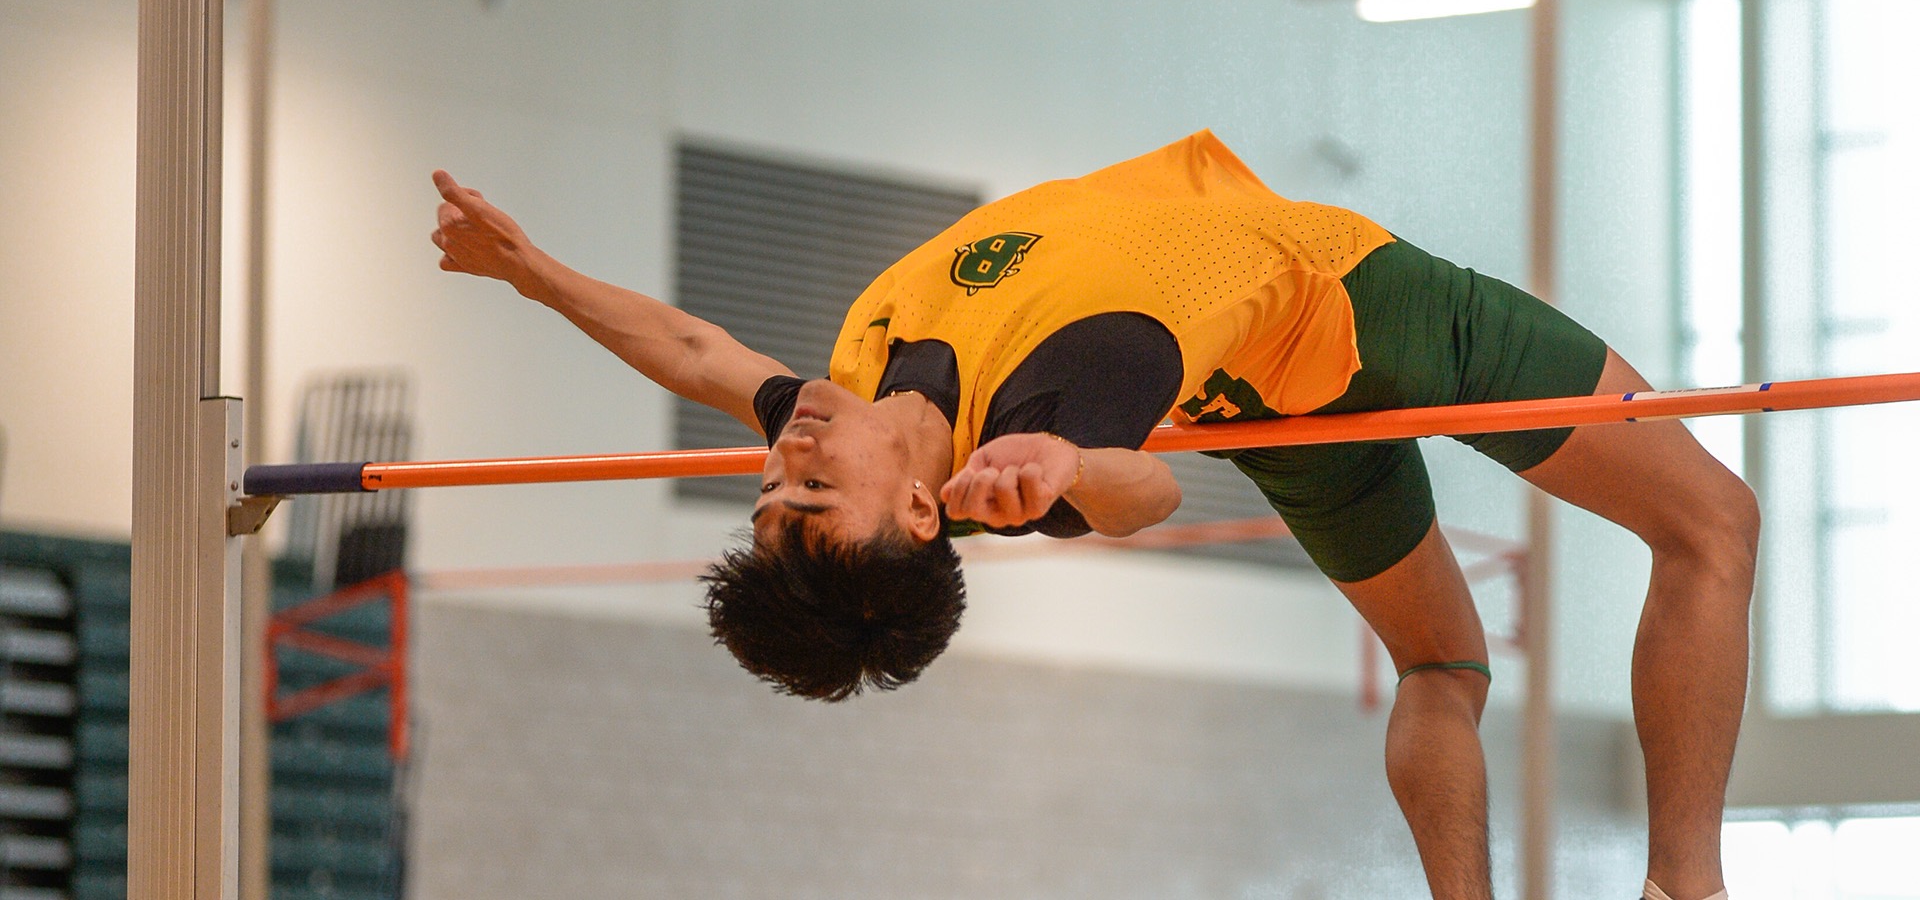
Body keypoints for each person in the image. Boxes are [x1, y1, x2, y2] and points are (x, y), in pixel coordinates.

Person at [430, 131, 1755, 900]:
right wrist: (1061, 467)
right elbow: (1147, 488)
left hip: (1265, 391)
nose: (788, 456)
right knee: (1711, 523)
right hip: (1364, 309)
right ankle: (1686, 886)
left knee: (1440, 666)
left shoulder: (863, 366)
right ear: (913, 506)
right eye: (808, 487)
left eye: (770, 481)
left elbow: (691, 349)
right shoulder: (1064, 396)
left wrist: (532, 273)